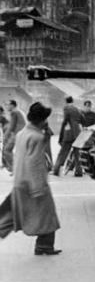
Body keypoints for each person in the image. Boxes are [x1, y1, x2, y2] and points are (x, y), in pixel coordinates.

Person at [0, 101, 61, 255]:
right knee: (47, 215)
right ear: (42, 120)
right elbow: (35, 164)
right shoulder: (35, 137)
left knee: (10, 215)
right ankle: (44, 246)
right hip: (33, 184)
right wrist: (38, 188)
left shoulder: (22, 133)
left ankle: (44, 245)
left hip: (20, 182)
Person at [52, 96, 84, 177]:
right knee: (77, 154)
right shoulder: (77, 109)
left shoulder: (66, 108)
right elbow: (82, 119)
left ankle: (56, 170)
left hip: (69, 134)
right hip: (77, 133)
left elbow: (65, 120)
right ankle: (79, 172)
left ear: (66, 102)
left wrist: (62, 132)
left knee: (63, 153)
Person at [2, 100, 27, 174]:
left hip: (17, 134)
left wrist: (5, 136)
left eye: (7, 104)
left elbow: (12, 126)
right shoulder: (19, 111)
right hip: (22, 133)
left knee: (6, 150)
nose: (6, 106)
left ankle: (15, 169)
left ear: (12, 105)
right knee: (19, 152)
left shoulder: (14, 112)